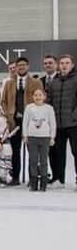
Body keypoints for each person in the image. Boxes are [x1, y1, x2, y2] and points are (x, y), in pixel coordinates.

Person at [0, 57, 43, 185]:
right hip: (14, 122)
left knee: (33, 151)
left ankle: (33, 178)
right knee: (15, 151)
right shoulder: (9, 83)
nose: (21, 67)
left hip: (31, 123)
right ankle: (15, 177)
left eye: (24, 65)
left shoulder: (36, 82)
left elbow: (41, 100)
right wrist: (9, 115)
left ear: (28, 66)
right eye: (19, 65)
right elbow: (3, 101)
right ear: (16, 67)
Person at [46, 54, 77, 188]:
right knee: (57, 153)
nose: (64, 65)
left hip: (74, 124)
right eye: (62, 63)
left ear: (72, 65)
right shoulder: (54, 82)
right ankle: (58, 178)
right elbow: (49, 102)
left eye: (67, 63)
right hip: (58, 125)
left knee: (76, 152)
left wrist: (74, 115)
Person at [23, 89, 56, 192]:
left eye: (40, 95)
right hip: (32, 137)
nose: (38, 97)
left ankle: (43, 183)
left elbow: (52, 123)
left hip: (45, 137)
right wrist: (25, 135)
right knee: (33, 160)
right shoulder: (29, 108)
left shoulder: (49, 108)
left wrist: (52, 137)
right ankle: (33, 182)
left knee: (43, 161)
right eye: (36, 95)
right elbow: (25, 122)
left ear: (44, 97)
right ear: (33, 97)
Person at [38, 55, 60, 184]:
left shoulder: (61, 79)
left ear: (55, 64)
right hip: (42, 122)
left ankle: (59, 177)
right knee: (48, 151)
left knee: (58, 151)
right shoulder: (40, 80)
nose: (48, 65)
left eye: (50, 63)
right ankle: (49, 176)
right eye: (45, 63)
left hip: (58, 120)